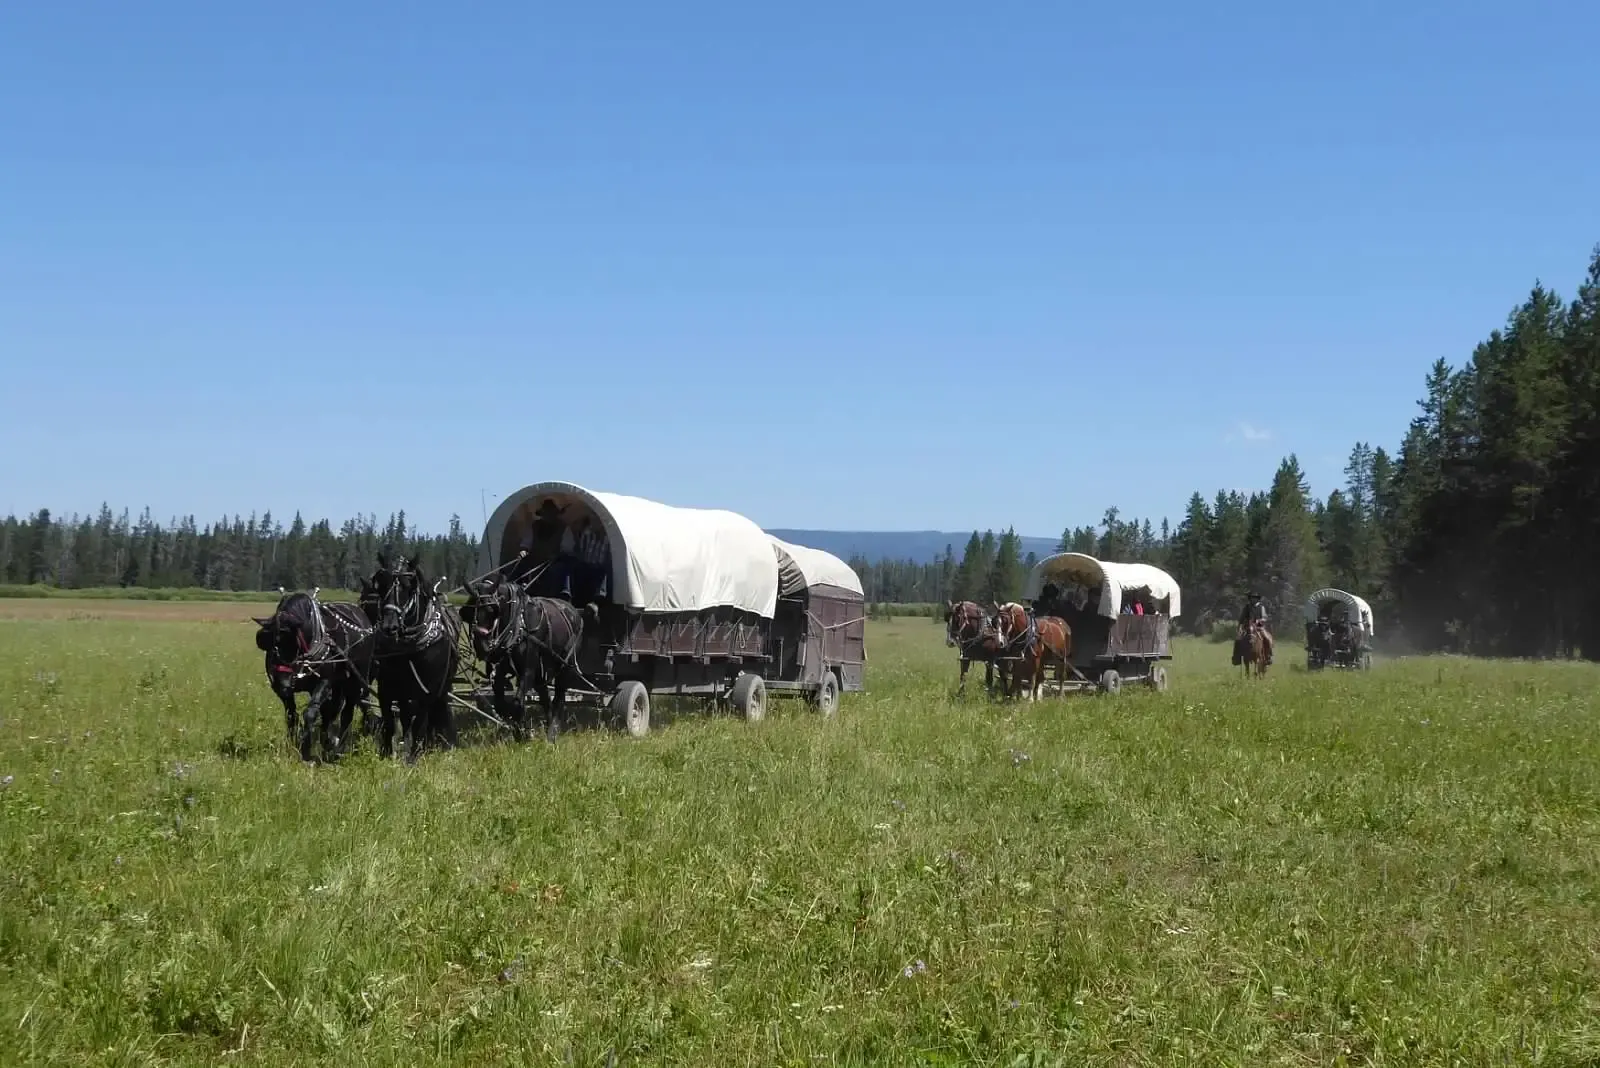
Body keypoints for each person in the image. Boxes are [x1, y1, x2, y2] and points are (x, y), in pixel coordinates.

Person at [1238, 590, 1273, 664]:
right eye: (1252, 598)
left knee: (1267, 638)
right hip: (1248, 626)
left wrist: (1259, 621)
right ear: (1250, 598)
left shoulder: (1261, 607)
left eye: (1255, 598)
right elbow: (1241, 618)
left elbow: (1264, 617)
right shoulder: (1247, 607)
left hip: (1259, 627)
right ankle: (1237, 656)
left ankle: (1268, 656)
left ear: (1257, 599)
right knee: (1239, 640)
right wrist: (1240, 627)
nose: (1253, 599)